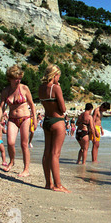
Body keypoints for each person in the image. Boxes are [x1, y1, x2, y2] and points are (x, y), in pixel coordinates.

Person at [0, 65, 37, 177]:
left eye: (20, 78)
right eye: (16, 78)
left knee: (24, 144)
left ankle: (26, 169)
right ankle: (12, 161)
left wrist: (35, 118)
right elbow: (1, 107)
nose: (18, 80)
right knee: (10, 143)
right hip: (12, 119)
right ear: (10, 78)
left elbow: (32, 104)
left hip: (25, 118)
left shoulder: (24, 88)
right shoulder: (6, 91)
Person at [38, 64, 70, 193]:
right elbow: (63, 109)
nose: (59, 79)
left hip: (47, 120)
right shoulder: (55, 88)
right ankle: (58, 185)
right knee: (55, 154)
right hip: (57, 121)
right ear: (55, 75)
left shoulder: (41, 88)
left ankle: (48, 183)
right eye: (58, 76)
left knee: (47, 153)